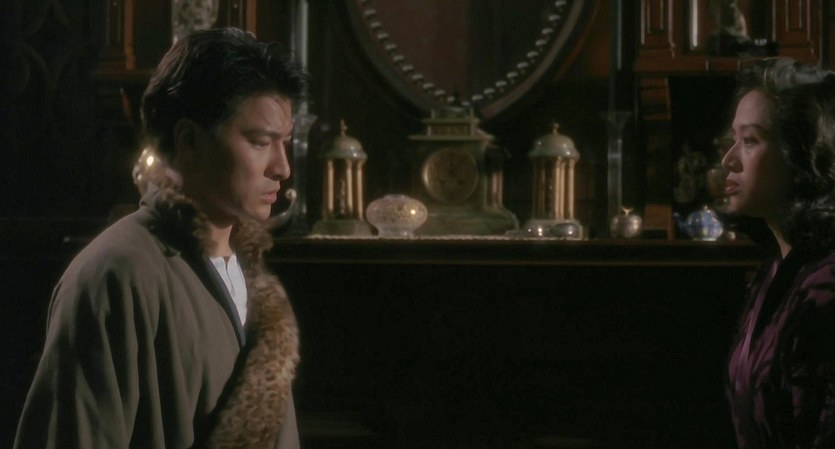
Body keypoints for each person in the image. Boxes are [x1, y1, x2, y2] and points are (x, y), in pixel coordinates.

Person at [14, 27, 309, 449]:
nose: (282, 167)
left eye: (286, 142)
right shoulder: (117, 273)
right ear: (189, 140)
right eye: (261, 142)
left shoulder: (251, 276)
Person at [723, 57, 835, 448]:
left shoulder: (827, 288)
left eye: (750, 140)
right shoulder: (774, 270)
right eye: (734, 138)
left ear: (802, 153)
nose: (728, 159)